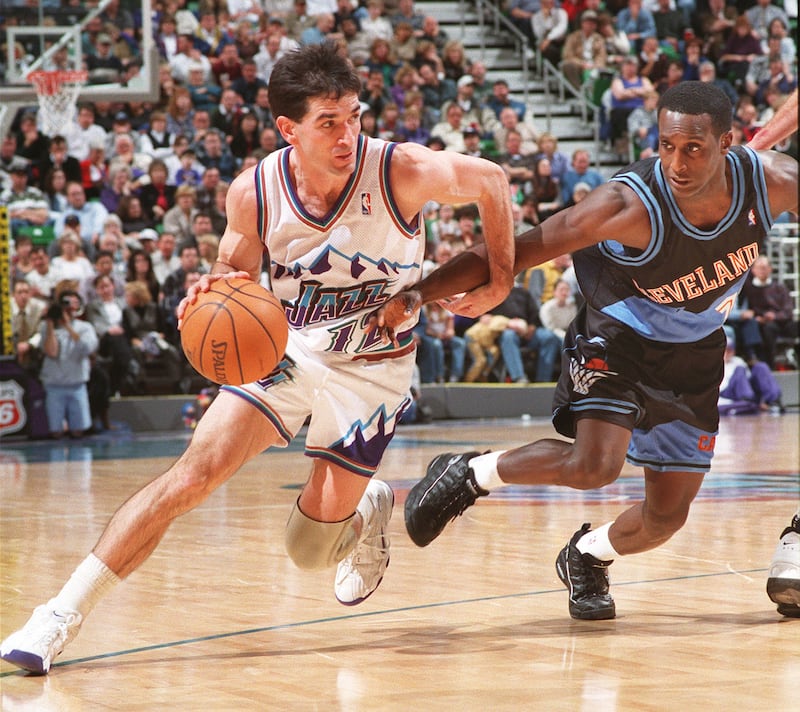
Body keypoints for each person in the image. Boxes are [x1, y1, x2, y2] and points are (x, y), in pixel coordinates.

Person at [0, 42, 515, 675]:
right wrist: (212, 287)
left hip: (373, 370)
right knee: (189, 478)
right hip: (289, 348)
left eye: (354, 116)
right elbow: (232, 269)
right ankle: (57, 615)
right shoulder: (255, 193)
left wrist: (500, 278)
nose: (348, 133)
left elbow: (491, 179)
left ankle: (364, 510)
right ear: (288, 128)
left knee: (307, 550)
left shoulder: (400, 170)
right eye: (329, 122)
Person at [375, 81, 797, 622]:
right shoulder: (627, 204)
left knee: (666, 518)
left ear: (727, 143)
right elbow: (522, 246)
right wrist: (419, 293)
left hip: (695, 352)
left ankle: (586, 556)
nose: (677, 162)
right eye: (666, 146)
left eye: (693, 148)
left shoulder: (775, 183)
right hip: (620, 337)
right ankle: (469, 473)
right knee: (594, 465)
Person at [38, 290, 99, 440]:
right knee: (55, 431)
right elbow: (51, 352)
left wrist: (68, 327)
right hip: (54, 385)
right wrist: (52, 324)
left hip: (76, 384)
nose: (67, 309)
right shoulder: (47, 328)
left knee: (78, 430)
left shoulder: (85, 327)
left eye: (71, 304)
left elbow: (87, 348)